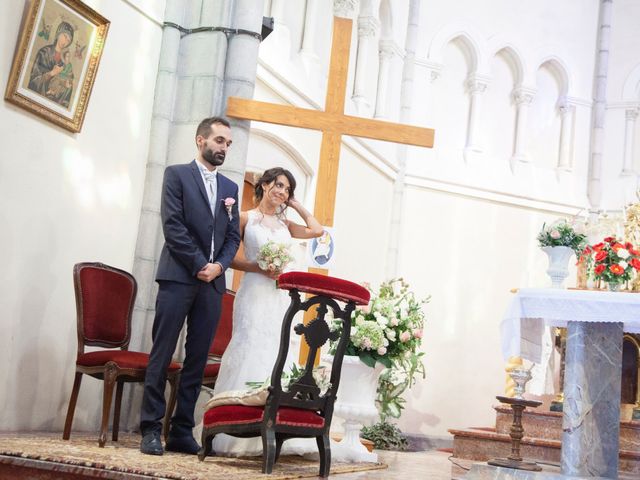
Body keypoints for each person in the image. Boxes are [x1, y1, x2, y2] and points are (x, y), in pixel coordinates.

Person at [139, 117, 241, 456]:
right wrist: (199, 265)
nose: (224, 148)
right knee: (163, 352)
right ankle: (151, 429)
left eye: (228, 143)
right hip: (179, 277)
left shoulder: (230, 189)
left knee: (196, 358)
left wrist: (219, 267)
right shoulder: (177, 175)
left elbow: (232, 236)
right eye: (219, 141)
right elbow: (173, 225)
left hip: (212, 285)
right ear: (201, 140)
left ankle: (182, 429)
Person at [211, 167, 323, 457]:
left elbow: (317, 230)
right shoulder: (246, 218)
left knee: (277, 350)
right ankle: (236, 426)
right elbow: (231, 257)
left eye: (286, 189)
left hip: (279, 298)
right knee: (250, 347)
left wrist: (296, 204)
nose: (281, 192)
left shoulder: (286, 224)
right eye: (277, 185)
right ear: (263, 184)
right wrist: (258, 267)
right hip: (254, 291)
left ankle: (275, 424)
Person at [28, 21, 74, 107]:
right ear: (58, 34)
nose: (66, 41)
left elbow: (69, 88)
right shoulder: (44, 52)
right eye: (65, 36)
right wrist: (51, 73)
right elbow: (33, 81)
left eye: (69, 40)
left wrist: (67, 85)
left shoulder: (66, 62)